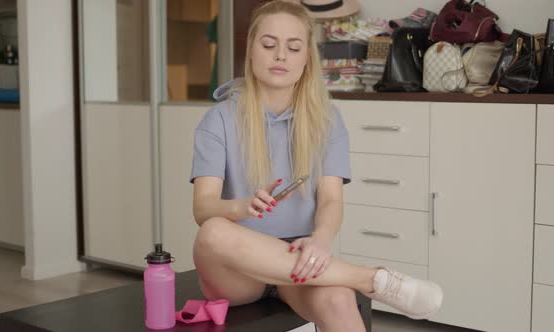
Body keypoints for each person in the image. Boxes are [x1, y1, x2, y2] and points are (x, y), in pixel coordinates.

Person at [189, 1, 443, 331]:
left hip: (299, 258)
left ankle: (360, 280)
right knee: (212, 232)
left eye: (293, 47)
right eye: (269, 44)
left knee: (339, 300)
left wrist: (321, 239)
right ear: (251, 50)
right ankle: (370, 279)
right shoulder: (218, 119)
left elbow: (331, 200)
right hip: (237, 272)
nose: (280, 55)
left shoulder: (327, 120)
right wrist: (241, 206)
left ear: (307, 57)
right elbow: (203, 208)